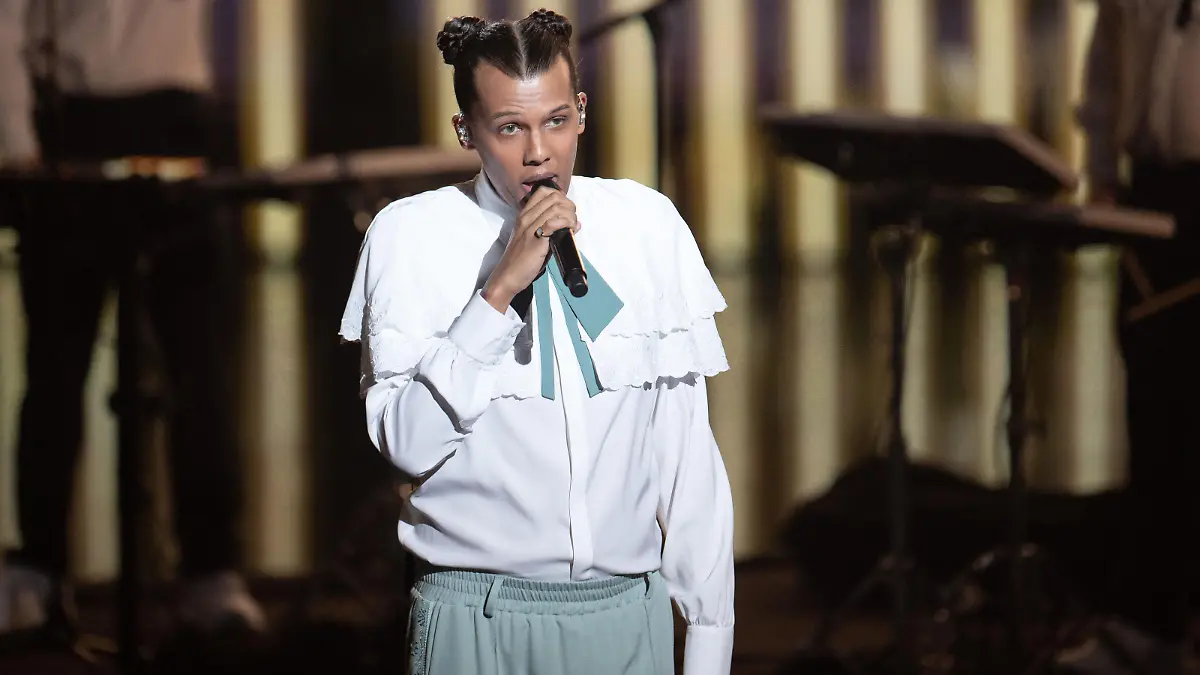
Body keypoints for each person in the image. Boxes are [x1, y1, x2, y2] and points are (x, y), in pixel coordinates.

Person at [338, 9, 735, 675]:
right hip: (477, 616)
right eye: (509, 127)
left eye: (555, 120)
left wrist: (708, 642)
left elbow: (688, 464)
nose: (538, 152)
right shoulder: (409, 237)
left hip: (625, 614)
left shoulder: (646, 225)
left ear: (582, 111)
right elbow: (407, 444)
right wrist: (497, 294)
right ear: (466, 130)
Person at [0, 0, 263, 636]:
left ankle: (210, 571)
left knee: (198, 364)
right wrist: (14, 146)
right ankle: (38, 569)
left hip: (177, 118)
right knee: (57, 366)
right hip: (72, 119)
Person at [1059, 0, 1199, 673]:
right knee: (1155, 409)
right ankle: (1151, 623)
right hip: (1156, 190)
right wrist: (1103, 173)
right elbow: (1105, 68)